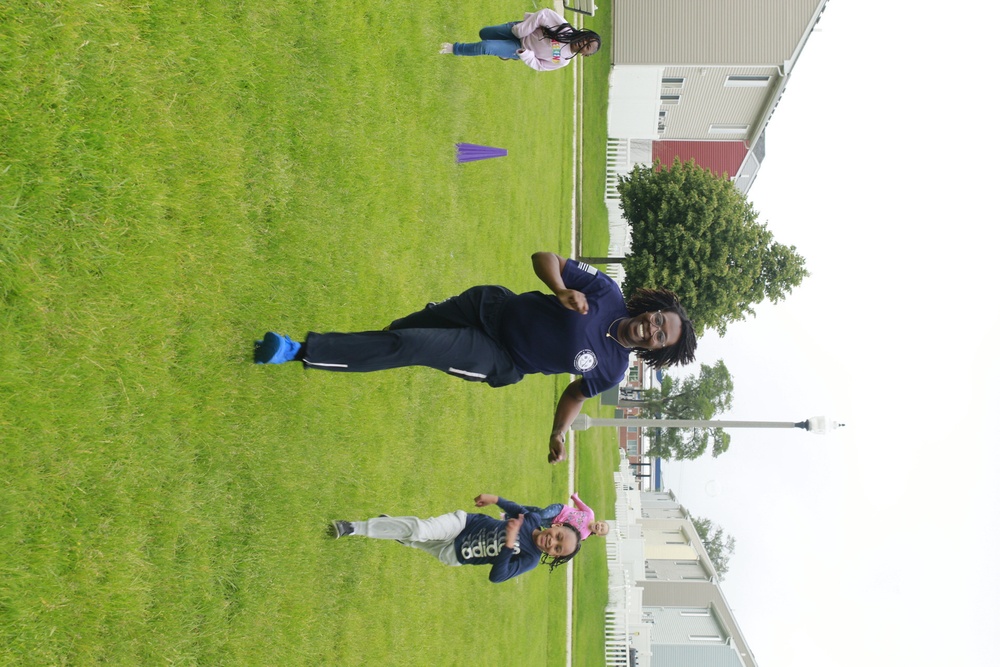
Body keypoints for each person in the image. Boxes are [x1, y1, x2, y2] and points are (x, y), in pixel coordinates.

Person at [253, 251, 697, 464]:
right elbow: (545, 258)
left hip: (498, 357)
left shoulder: (613, 369)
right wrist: (560, 288)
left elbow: (576, 393)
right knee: (400, 333)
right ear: (652, 309)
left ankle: (297, 351)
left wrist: (558, 432)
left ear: (656, 352)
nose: (653, 329)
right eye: (659, 320)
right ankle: (341, 351)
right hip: (490, 306)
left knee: (412, 348)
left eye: (661, 337)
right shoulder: (608, 293)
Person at [327, 493, 581, 584]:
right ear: (556, 526)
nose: (552, 542)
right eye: (558, 536)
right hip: (465, 524)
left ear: (554, 556)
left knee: (412, 539)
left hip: (456, 555)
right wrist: (494, 500)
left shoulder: (529, 560)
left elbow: (497, 576)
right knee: (420, 530)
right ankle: (352, 527)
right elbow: (515, 508)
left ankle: (392, 527)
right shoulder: (534, 520)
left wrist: (508, 543)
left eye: (558, 549)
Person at [439, 8, 601, 72]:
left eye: (587, 47)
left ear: (585, 55)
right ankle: (502, 50)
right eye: (587, 40)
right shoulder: (563, 27)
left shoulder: (563, 60)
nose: (584, 43)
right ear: (584, 34)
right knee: (484, 33)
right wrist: (522, 29)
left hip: (519, 48)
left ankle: (454, 49)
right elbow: (543, 14)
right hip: (517, 30)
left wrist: (526, 55)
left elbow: (539, 65)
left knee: (486, 46)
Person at [521, 492, 609, 540]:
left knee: (535, 520)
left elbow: (568, 534)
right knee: (541, 514)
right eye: (602, 525)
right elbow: (581, 505)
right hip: (560, 510)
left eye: (601, 530)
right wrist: (575, 497)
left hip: (554, 523)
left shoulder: (583, 535)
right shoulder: (590, 514)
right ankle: (520, 510)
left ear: (598, 534)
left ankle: (520, 513)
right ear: (599, 521)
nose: (599, 527)